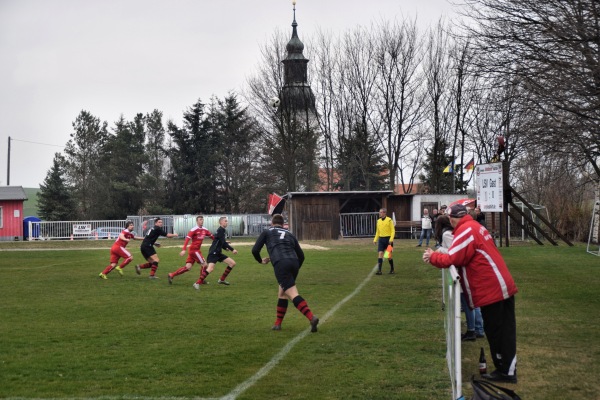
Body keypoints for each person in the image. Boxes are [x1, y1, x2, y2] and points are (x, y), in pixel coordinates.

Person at [423, 204, 518, 384]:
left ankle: (507, 371)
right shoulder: (474, 227)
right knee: (497, 330)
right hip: (495, 287)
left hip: (494, 289)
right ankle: (504, 368)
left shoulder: (466, 230)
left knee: (499, 331)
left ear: (451, 219)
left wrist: (433, 257)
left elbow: (454, 258)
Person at [251, 214, 319, 332]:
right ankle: (278, 324)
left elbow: (255, 250)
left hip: (281, 264)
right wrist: (295, 268)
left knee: (293, 294)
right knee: (282, 293)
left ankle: (311, 317)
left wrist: (260, 261)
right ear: (283, 224)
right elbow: (301, 256)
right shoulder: (290, 234)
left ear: (272, 223)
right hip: (294, 262)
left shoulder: (267, 232)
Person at [434, 215, 484, 341]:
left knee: (468, 302)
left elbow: (454, 251)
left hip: (462, 272)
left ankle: (474, 329)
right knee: (472, 302)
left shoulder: (447, 234)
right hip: (381, 241)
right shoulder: (451, 232)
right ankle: (478, 328)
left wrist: (439, 250)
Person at [193, 216, 238, 289]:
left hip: (218, 252)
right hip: (214, 252)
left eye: (227, 221)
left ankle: (222, 280)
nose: (227, 222)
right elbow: (223, 242)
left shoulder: (222, 230)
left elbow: (220, 242)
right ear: (221, 222)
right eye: (225, 221)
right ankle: (197, 283)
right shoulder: (221, 230)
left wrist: (225, 247)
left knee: (232, 263)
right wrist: (232, 249)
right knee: (210, 268)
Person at [167, 215, 214, 285]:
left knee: (188, 267)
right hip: (194, 250)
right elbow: (187, 239)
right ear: (197, 221)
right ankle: (201, 280)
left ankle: (171, 275)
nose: (202, 221)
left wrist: (223, 242)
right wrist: (183, 249)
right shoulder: (193, 229)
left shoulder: (205, 230)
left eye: (202, 219)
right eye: (200, 220)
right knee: (205, 265)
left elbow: (213, 237)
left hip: (195, 251)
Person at [373, 208, 395, 275]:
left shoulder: (389, 220)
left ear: (385, 213)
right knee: (380, 254)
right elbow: (377, 232)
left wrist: (391, 239)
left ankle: (392, 269)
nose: (380, 213)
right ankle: (379, 271)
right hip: (381, 240)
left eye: (381, 212)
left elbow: (393, 231)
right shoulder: (378, 221)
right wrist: (375, 239)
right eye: (379, 212)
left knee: (388, 256)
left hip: (388, 240)